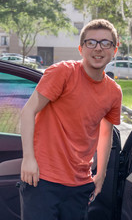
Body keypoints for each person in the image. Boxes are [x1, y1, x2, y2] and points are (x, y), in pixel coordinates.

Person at [19, 19, 122, 220]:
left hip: (80, 184)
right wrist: (29, 159)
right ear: (81, 48)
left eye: (105, 43)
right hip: (42, 179)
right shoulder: (63, 73)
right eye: (91, 43)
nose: (98, 48)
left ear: (114, 50)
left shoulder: (114, 92)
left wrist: (100, 174)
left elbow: (105, 132)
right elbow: (28, 112)